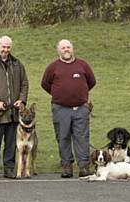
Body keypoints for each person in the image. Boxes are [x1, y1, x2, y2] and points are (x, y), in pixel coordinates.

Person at [41, 39, 96, 178]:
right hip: (60, 109)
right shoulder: (53, 67)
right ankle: (66, 167)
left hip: (81, 109)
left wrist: (79, 94)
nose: (66, 50)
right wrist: (59, 94)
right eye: (63, 48)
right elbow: (45, 84)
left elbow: (91, 81)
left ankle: (84, 166)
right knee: (63, 137)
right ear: (58, 50)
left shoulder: (82, 65)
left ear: (72, 49)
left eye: (68, 47)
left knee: (82, 138)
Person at [0, 36, 29, 179]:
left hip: (13, 113)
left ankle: (9, 168)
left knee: (11, 143)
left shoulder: (17, 64)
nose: (5, 50)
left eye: (8, 47)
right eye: (3, 47)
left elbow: (24, 83)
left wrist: (22, 100)